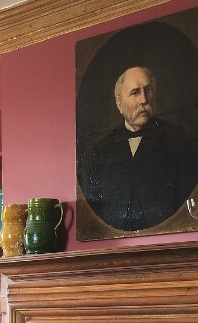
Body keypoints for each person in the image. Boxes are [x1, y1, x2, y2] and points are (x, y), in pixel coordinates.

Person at [82, 66, 197, 231]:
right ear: (120, 105)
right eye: (135, 93)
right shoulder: (102, 150)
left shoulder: (176, 139)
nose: (143, 99)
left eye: (148, 90)